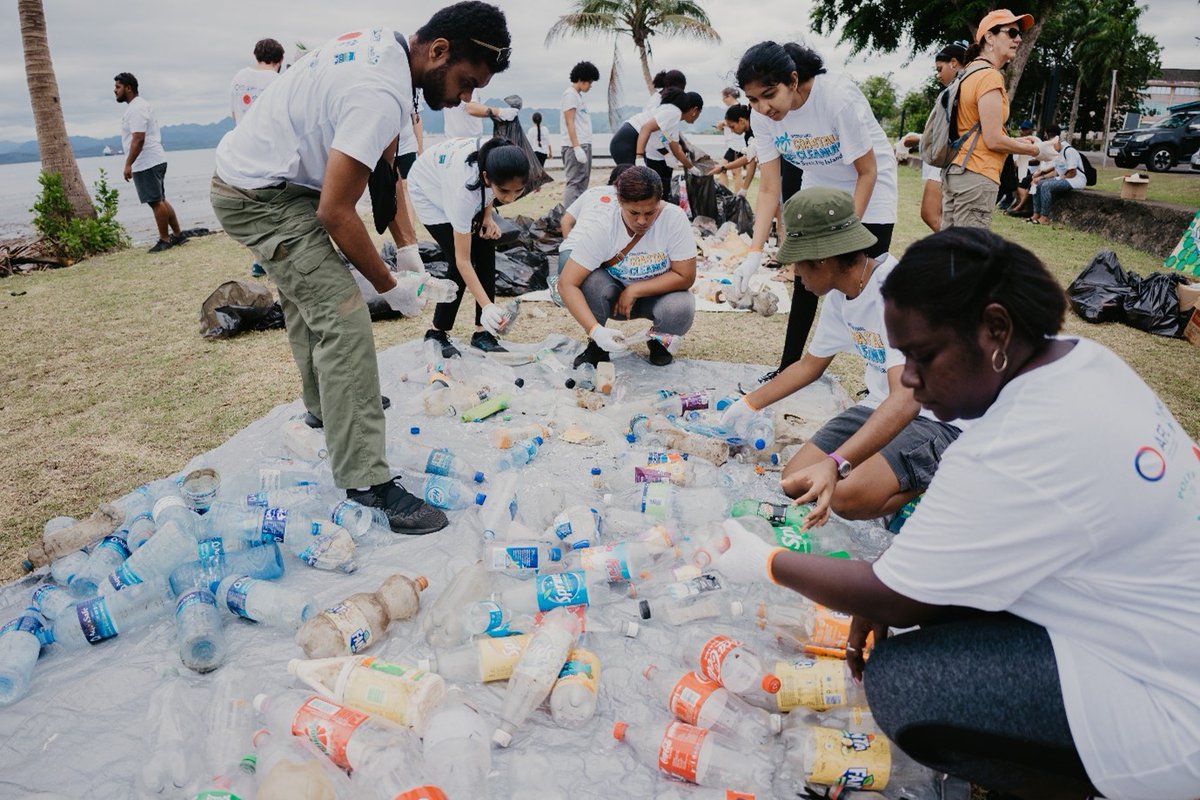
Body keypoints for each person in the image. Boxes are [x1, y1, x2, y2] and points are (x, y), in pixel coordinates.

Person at [715, 226, 1200, 800]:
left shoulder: (1007, 443)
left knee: (904, 684)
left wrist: (767, 562)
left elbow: (894, 595)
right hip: (1154, 629)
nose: (910, 382)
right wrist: (897, 583)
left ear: (995, 329)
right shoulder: (1083, 365)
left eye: (922, 357)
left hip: (1171, 715)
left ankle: (1076, 784)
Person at [211, 3, 514, 535]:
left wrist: (409, 249)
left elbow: (387, 169)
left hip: (273, 183)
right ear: (439, 51)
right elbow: (334, 212)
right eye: (467, 82)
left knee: (310, 303)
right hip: (258, 196)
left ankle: (326, 410)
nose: (466, 99)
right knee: (342, 313)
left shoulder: (391, 53)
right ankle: (366, 480)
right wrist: (389, 286)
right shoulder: (380, 91)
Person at [722, 188, 962, 525]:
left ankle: (938, 481)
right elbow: (810, 365)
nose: (795, 276)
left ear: (823, 260)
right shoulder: (842, 292)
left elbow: (907, 400)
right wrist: (747, 405)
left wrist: (836, 463)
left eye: (798, 265)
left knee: (845, 497)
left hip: (935, 417)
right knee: (796, 481)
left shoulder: (898, 294)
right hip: (882, 405)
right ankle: (881, 473)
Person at [734, 41, 899, 384]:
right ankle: (788, 367)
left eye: (769, 94)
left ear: (793, 81)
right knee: (806, 278)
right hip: (820, 181)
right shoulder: (763, 118)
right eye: (752, 99)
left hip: (869, 180)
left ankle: (884, 379)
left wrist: (845, 234)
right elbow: (768, 188)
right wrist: (753, 253)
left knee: (866, 282)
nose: (763, 107)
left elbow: (867, 171)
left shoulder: (836, 98)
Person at [556, 166, 696, 367]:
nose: (642, 221)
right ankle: (597, 345)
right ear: (620, 202)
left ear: (660, 201)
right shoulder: (604, 226)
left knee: (682, 306)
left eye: (650, 213)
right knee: (590, 281)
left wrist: (635, 289)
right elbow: (567, 283)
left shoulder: (674, 219)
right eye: (634, 213)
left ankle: (658, 342)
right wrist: (594, 330)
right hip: (613, 296)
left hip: (657, 295)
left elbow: (685, 276)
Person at [408, 137, 530, 357]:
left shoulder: (496, 156)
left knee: (486, 244)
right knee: (460, 260)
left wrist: (487, 217)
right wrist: (488, 306)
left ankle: (482, 333)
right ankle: (437, 332)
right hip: (428, 189)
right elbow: (463, 261)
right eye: (505, 192)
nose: (511, 199)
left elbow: (488, 191)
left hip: (454, 180)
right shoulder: (462, 193)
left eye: (518, 191)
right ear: (486, 177)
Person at [941, 9, 1041, 229]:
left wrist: (1018, 142)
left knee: (949, 254)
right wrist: (1035, 150)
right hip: (977, 174)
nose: (1018, 39)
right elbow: (993, 140)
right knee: (970, 256)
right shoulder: (990, 76)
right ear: (989, 37)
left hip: (957, 171)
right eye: (1012, 32)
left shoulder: (969, 72)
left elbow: (976, 127)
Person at [228, 38, 285, 276]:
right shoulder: (278, 81)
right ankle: (270, 259)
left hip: (242, 152)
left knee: (255, 209)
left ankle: (258, 260)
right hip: (269, 153)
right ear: (280, 60)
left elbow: (233, 113)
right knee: (275, 206)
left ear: (256, 56)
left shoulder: (239, 78)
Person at [114, 72, 185, 254]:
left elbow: (138, 138)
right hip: (155, 159)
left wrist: (128, 164)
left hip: (146, 162)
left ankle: (164, 239)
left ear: (128, 88)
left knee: (155, 202)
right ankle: (177, 234)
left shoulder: (136, 108)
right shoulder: (139, 106)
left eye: (118, 87)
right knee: (159, 199)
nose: (115, 91)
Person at [901, 41, 967, 232]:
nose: (938, 75)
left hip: (946, 159)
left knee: (930, 213)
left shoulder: (957, 90)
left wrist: (919, 139)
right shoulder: (956, 89)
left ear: (954, 63)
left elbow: (954, 133)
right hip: (947, 159)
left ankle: (960, 250)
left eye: (940, 69)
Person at [610, 90, 704, 192]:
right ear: (695, 110)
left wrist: (691, 168)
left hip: (630, 141)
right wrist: (640, 156)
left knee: (635, 185)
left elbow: (672, 145)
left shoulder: (674, 121)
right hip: (626, 142)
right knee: (634, 184)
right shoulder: (673, 113)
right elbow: (646, 129)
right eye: (700, 112)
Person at [386, 90, 427, 275]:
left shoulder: (413, 90)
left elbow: (416, 119)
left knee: (406, 186)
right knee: (392, 187)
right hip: (387, 145)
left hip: (406, 145)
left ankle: (410, 234)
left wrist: (420, 146)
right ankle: (403, 234)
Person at [560, 60, 600, 209]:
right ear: (582, 79)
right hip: (575, 146)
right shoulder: (570, 95)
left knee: (582, 182)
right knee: (575, 183)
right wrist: (576, 147)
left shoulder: (577, 96)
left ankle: (578, 215)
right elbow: (569, 122)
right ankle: (569, 218)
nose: (590, 86)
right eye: (589, 82)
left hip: (583, 144)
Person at [1028, 124, 1086, 226]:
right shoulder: (1055, 152)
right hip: (1064, 178)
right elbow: (1055, 170)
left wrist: (1057, 179)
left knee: (1046, 186)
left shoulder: (1069, 151)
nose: (1051, 148)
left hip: (1076, 180)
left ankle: (1044, 217)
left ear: (1058, 140)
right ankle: (1036, 214)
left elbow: (1072, 173)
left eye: (1052, 145)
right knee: (1037, 183)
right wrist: (1041, 177)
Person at [441, 88, 518, 138]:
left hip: (453, 141)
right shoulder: (467, 83)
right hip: (465, 143)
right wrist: (500, 112)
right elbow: (471, 108)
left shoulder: (451, 83)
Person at [1004, 119, 1039, 217]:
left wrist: (1023, 163)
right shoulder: (1018, 141)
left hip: (1031, 169)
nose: (1023, 131)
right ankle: (1015, 202)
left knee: (1020, 182)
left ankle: (1024, 207)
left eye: (1026, 129)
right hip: (1018, 168)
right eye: (1022, 129)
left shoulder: (1035, 142)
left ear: (1031, 130)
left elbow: (1038, 160)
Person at [715, 87, 747, 190]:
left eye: (723, 98)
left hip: (737, 145)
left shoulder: (736, 107)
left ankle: (737, 197)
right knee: (725, 170)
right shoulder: (734, 107)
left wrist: (722, 123)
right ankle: (727, 193)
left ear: (728, 96)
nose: (723, 101)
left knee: (735, 172)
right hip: (733, 144)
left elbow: (732, 123)